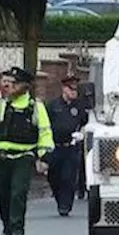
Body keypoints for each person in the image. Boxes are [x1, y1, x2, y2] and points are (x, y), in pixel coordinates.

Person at [0, 66, 54, 235]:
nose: (7, 87)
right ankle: (7, 225)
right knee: (2, 192)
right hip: (1, 156)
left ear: (23, 86)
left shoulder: (35, 107)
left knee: (18, 192)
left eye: (12, 84)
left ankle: (17, 228)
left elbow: (45, 132)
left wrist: (44, 156)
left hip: (24, 156)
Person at [44, 74, 89, 216]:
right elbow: (45, 125)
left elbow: (85, 123)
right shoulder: (52, 105)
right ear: (64, 89)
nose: (74, 92)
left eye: (75, 90)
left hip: (71, 147)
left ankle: (65, 205)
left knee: (68, 177)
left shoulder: (80, 106)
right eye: (71, 89)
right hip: (55, 146)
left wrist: (81, 133)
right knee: (54, 176)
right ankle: (59, 198)